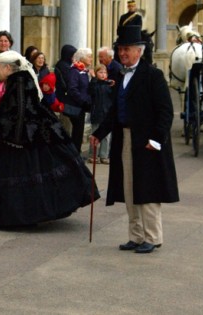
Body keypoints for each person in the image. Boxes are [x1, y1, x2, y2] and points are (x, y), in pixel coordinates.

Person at [0, 51, 99, 228]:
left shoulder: (18, 81)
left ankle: (21, 214)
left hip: (23, 134)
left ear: (8, 67)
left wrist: (14, 137)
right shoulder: (22, 78)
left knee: (20, 171)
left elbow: (20, 109)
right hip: (29, 129)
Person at [90, 26, 179, 254]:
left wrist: (157, 140)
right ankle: (136, 235)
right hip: (125, 138)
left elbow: (165, 112)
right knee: (129, 189)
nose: (122, 54)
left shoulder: (153, 75)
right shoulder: (121, 75)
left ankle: (153, 236)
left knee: (148, 190)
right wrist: (98, 134)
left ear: (139, 51)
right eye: (120, 50)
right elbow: (114, 111)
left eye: (126, 50)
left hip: (147, 142)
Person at [65, 48, 93, 153]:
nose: (91, 59)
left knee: (79, 131)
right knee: (77, 132)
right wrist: (83, 101)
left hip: (81, 106)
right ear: (81, 58)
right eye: (89, 56)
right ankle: (74, 154)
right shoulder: (75, 71)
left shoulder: (83, 70)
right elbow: (72, 89)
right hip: (75, 106)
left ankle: (75, 153)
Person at [88, 64, 113, 164]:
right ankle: (93, 155)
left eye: (104, 72)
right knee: (95, 134)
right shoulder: (94, 84)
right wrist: (93, 78)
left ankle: (104, 155)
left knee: (106, 137)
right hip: (97, 112)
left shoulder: (109, 84)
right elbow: (92, 91)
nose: (103, 75)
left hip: (106, 113)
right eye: (100, 72)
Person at [54, 44, 77, 134]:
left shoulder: (63, 64)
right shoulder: (64, 66)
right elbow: (70, 81)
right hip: (64, 99)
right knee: (66, 126)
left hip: (63, 98)